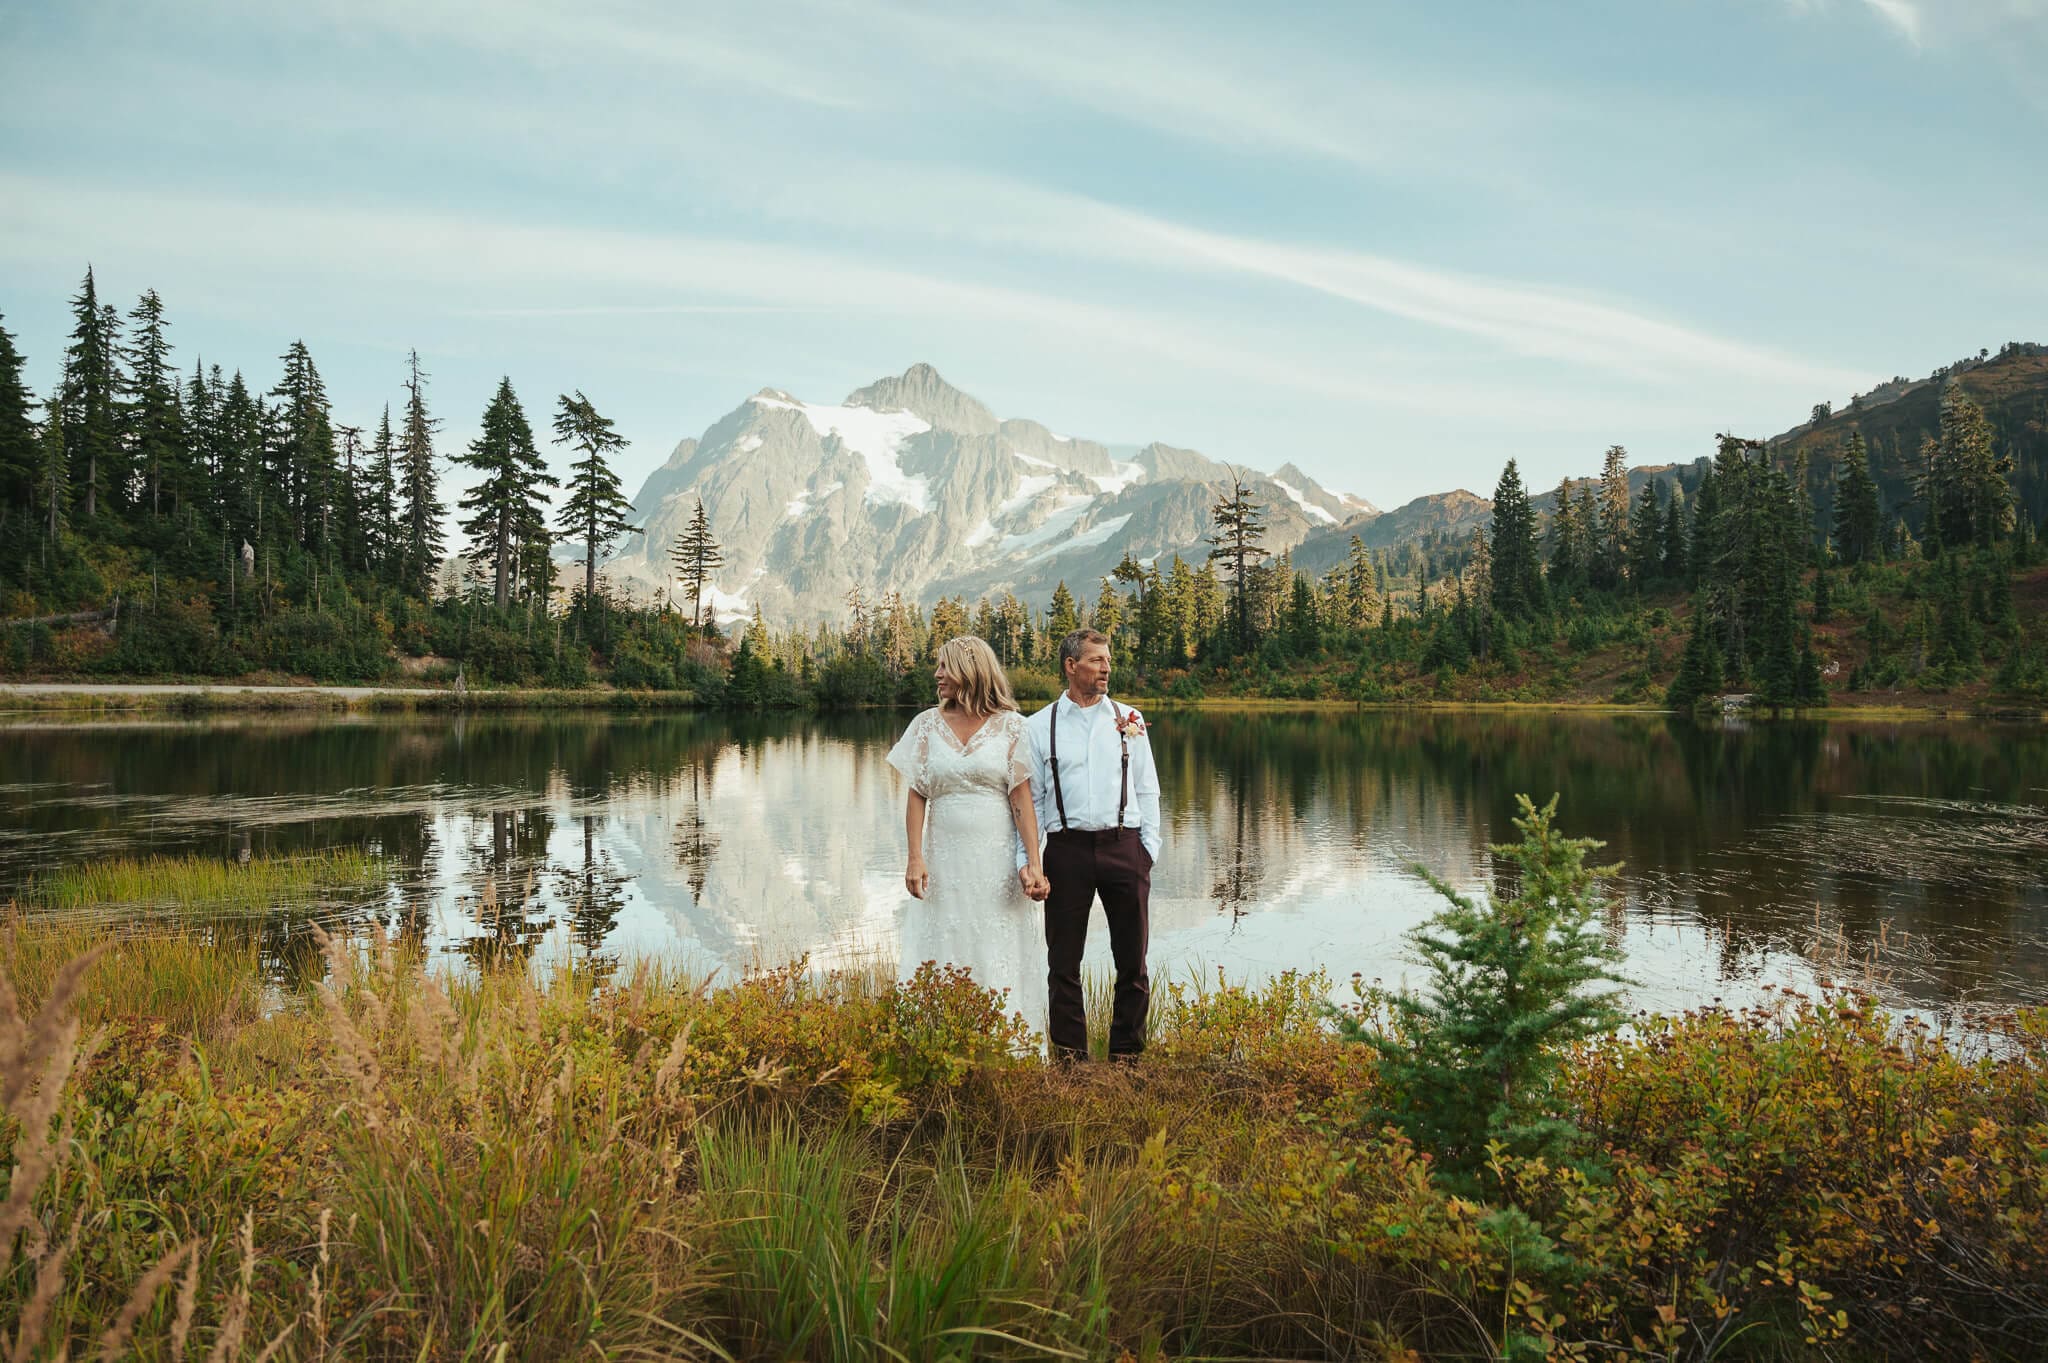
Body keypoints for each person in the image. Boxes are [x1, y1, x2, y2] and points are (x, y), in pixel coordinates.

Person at [887, 636, 1051, 1034]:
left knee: (996, 943)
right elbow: (916, 795)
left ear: (969, 671)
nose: (937, 674)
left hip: (994, 861)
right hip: (942, 860)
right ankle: (940, 1037)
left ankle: (1004, 1041)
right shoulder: (926, 725)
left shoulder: (1012, 726)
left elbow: (1021, 801)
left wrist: (1034, 863)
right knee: (943, 937)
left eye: (945, 666)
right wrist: (914, 857)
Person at [1018, 628, 1161, 1061]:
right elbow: (1033, 802)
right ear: (1070, 665)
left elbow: (1148, 789)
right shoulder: (1038, 726)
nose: (1107, 667)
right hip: (1066, 853)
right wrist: (1031, 862)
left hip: (1125, 847)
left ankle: (1127, 1059)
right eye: (1097, 659)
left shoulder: (1129, 719)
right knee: (1063, 965)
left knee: (1132, 963)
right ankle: (1070, 1063)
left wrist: (1147, 851)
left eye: (1108, 659)